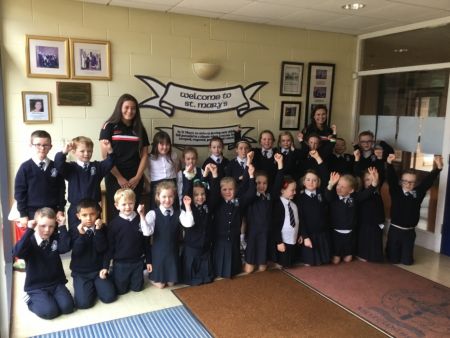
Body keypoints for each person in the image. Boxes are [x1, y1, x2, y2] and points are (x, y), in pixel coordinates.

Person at [13, 208, 73, 319]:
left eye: (51, 226)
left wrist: (62, 226)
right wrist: (29, 230)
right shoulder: (29, 241)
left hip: (56, 283)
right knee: (50, 312)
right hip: (36, 286)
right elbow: (17, 253)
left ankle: (50, 298)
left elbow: (65, 248)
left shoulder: (54, 238)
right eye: (43, 226)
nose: (47, 230)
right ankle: (30, 300)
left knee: (68, 307)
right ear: (35, 224)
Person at [99, 94, 150, 222]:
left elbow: (145, 155)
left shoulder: (140, 128)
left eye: (133, 108)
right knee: (117, 214)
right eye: (126, 107)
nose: (130, 111)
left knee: (134, 212)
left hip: (135, 178)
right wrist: (119, 177)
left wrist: (138, 177)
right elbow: (105, 156)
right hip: (114, 176)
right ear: (119, 108)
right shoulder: (109, 126)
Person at [385, 154, 443, 265]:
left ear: (415, 183)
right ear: (401, 181)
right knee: (393, 260)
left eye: (411, 182)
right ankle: (390, 250)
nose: (408, 184)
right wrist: (389, 163)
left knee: (407, 262)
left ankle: (404, 252)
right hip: (395, 230)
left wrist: (438, 168)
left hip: (409, 232)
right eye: (405, 181)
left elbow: (427, 182)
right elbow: (391, 178)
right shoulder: (395, 191)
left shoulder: (418, 193)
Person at [54, 136, 114, 239]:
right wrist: (64, 152)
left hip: (93, 209)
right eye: (82, 151)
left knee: (95, 235)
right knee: (76, 235)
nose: (86, 154)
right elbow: (58, 164)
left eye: (89, 151)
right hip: (75, 210)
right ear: (74, 152)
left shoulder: (97, 167)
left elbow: (110, 162)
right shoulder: (71, 168)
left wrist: (110, 150)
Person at [70, 199, 117, 309]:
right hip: (81, 273)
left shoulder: (103, 228)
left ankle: (96, 286)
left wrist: (105, 267)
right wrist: (81, 235)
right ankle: (89, 286)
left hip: (98, 270)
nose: (89, 218)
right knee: (83, 304)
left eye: (92, 214)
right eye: (84, 215)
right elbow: (77, 252)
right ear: (78, 216)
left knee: (109, 297)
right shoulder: (74, 230)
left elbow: (103, 249)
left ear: (98, 213)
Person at [326, 169, 378, 264]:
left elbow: (366, 194)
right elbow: (327, 196)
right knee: (336, 260)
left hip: (350, 234)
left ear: (351, 190)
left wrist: (374, 183)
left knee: (348, 259)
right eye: (338, 185)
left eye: (343, 187)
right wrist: (331, 184)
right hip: (336, 233)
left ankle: (346, 253)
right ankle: (336, 254)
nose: (338, 188)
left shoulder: (355, 198)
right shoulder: (334, 198)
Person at [104, 188, 152, 295]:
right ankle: (114, 273)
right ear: (117, 206)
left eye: (130, 203)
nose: (127, 207)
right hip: (120, 263)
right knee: (121, 291)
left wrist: (148, 261)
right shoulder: (113, 225)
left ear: (135, 203)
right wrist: (105, 266)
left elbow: (146, 242)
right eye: (124, 204)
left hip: (137, 262)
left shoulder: (141, 220)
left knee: (138, 288)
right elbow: (110, 247)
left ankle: (136, 274)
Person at [14, 130, 66, 228]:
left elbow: (61, 190)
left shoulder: (56, 166)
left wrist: (61, 209)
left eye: (45, 145)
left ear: (50, 146)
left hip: (52, 212)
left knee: (52, 241)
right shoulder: (25, 167)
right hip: (32, 214)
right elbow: (19, 193)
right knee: (34, 241)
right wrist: (23, 214)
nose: (42, 148)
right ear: (31, 145)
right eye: (38, 145)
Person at [179, 164, 220, 285]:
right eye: (196, 195)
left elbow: (215, 193)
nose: (200, 197)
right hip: (192, 247)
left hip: (205, 247)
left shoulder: (208, 206)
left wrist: (214, 175)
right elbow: (186, 192)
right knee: (192, 279)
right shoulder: (188, 207)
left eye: (202, 194)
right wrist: (188, 176)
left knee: (207, 279)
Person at [212, 165, 256, 278]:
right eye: (224, 190)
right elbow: (214, 191)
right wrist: (214, 175)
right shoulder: (217, 202)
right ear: (220, 190)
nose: (228, 192)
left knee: (233, 267)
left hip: (233, 238)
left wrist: (251, 176)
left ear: (235, 190)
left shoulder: (239, 202)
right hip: (219, 239)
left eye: (231, 189)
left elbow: (251, 194)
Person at [244, 153, 284, 273]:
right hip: (253, 235)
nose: (261, 186)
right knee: (249, 270)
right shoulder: (251, 196)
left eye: (264, 183)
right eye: (258, 183)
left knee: (262, 269)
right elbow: (247, 183)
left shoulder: (270, 196)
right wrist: (248, 163)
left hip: (265, 235)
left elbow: (278, 182)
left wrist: (280, 164)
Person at [296, 150, 331, 266]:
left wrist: (318, 158)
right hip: (308, 234)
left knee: (325, 261)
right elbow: (300, 218)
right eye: (308, 180)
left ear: (318, 182)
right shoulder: (300, 197)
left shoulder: (321, 193)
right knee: (310, 262)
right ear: (303, 182)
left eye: (314, 180)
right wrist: (305, 236)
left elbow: (325, 175)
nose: (311, 182)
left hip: (322, 233)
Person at [145, 180, 181, 288]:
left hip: (172, 251)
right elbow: (146, 232)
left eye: (170, 196)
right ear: (158, 197)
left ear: (174, 197)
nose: (167, 200)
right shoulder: (153, 213)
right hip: (158, 253)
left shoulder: (178, 213)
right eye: (164, 196)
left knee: (171, 283)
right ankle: (149, 274)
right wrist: (142, 216)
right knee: (160, 285)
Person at [271, 177, 302, 268]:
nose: (295, 192)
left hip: (293, 239)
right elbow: (275, 226)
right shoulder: (278, 205)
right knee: (283, 265)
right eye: (292, 190)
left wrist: (299, 234)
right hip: (283, 241)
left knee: (291, 263)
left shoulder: (294, 205)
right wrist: (279, 242)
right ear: (282, 190)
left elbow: (297, 221)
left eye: (295, 190)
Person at [357, 167, 385, 262]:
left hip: (376, 224)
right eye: (368, 179)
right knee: (364, 242)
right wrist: (373, 185)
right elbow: (364, 196)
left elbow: (380, 209)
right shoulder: (361, 193)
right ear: (363, 181)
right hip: (364, 224)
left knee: (376, 253)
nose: (370, 182)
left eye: (373, 179)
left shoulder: (377, 193)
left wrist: (381, 222)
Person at [148, 131, 179, 210]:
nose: (165, 147)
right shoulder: (150, 158)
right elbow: (144, 172)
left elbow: (177, 168)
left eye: (167, 144)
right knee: (156, 208)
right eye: (162, 144)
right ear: (155, 145)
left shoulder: (173, 155)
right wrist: (147, 182)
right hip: (156, 184)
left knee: (172, 205)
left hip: (172, 182)